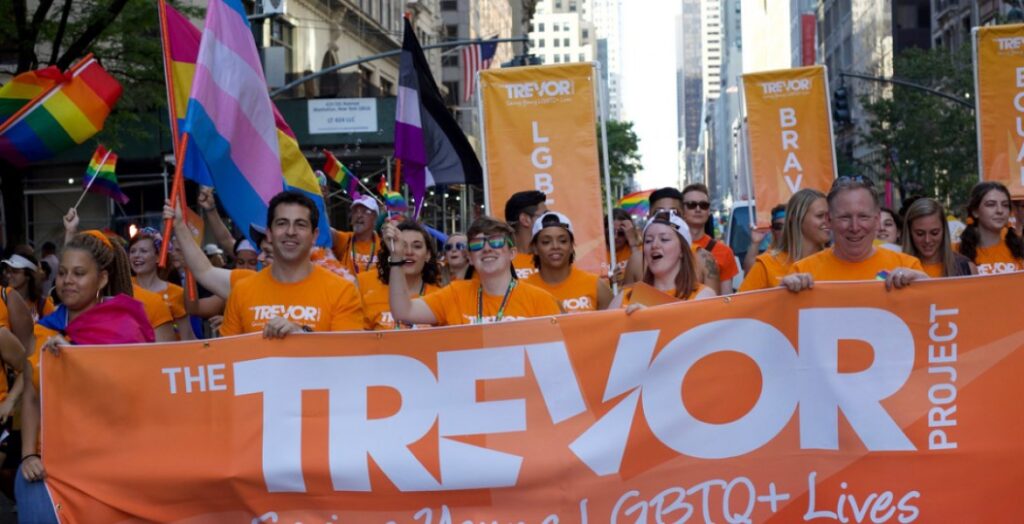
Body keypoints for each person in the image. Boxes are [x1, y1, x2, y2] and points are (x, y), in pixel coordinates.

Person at [19, 230, 154, 523]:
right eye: (63, 273)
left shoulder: (125, 329)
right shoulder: (43, 330)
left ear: (102, 279)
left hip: (110, 462)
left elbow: (136, 399)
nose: (68, 280)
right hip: (48, 465)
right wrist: (29, 455)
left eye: (79, 273)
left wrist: (77, 359)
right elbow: (30, 397)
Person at [220, 191, 363, 337]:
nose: (290, 232)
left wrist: (301, 335)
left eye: (300, 225)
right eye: (282, 223)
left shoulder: (343, 292)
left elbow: (348, 351)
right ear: (269, 233)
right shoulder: (241, 292)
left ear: (314, 236)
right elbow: (227, 350)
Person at [388, 216, 561, 326]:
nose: (487, 249)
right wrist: (396, 257)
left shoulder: (540, 300)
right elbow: (403, 312)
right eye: (477, 244)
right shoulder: (455, 294)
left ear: (512, 253)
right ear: (470, 257)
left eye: (496, 242)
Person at [781, 176, 926, 292]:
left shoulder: (907, 267)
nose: (855, 227)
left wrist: (926, 286)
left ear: (877, 220)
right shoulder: (802, 272)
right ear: (829, 220)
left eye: (863, 216)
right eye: (845, 217)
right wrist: (782, 296)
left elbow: (930, 314)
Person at [611, 210, 715, 312]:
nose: (654, 245)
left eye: (664, 239)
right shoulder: (624, 298)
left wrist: (651, 317)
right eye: (648, 241)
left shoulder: (703, 297)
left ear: (682, 250)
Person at [622, 187, 720, 289]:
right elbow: (626, 297)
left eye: (674, 213)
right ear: (649, 217)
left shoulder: (704, 260)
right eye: (659, 213)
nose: (667, 218)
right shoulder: (636, 261)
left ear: (684, 217)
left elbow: (715, 299)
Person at [739, 189, 830, 292]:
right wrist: (780, 292)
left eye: (829, 216)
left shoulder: (837, 259)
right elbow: (740, 301)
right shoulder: (767, 265)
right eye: (820, 216)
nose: (828, 221)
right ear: (796, 219)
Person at [359, 220, 442, 330]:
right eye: (402, 245)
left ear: (428, 255)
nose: (409, 252)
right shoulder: (370, 300)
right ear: (391, 252)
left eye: (417, 246)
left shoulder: (442, 298)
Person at [525, 212, 612, 312]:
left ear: (571, 246)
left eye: (563, 241)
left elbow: (615, 320)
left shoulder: (596, 285)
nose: (555, 246)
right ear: (535, 248)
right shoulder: (522, 290)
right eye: (546, 242)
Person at [128, 228, 195, 340]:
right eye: (132, 251)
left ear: (158, 257)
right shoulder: (123, 286)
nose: (136, 255)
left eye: (143, 251)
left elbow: (187, 336)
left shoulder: (176, 293)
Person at [681, 183, 738, 294]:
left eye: (703, 205)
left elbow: (726, 298)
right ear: (682, 211)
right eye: (691, 205)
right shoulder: (671, 248)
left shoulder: (725, 252)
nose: (698, 209)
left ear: (708, 211)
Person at [957, 181, 1024, 275]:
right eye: (991, 204)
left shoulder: (1019, 249)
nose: (1000, 210)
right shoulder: (954, 252)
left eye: (1005, 205)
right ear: (975, 211)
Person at [902, 197, 976, 278]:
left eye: (934, 233)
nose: (927, 240)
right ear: (909, 232)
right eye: (920, 234)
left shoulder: (966, 267)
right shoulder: (897, 266)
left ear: (944, 230)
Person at [332, 196, 381, 277]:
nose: (359, 215)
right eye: (355, 211)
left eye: (365, 211)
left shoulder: (384, 246)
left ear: (375, 218)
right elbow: (324, 229)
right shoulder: (345, 239)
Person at [504, 190, 548, 279]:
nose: (549, 221)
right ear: (525, 220)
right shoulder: (499, 262)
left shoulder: (552, 260)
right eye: (544, 216)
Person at [2, 254, 54, 321]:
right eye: (8, 271)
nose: (8, 275)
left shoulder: (43, 305)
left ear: (28, 275)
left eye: (15, 271)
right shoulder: (2, 299)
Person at [741, 204, 786, 272]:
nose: (784, 230)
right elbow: (750, 272)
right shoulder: (769, 256)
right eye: (778, 226)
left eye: (789, 225)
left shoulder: (803, 252)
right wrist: (755, 242)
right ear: (772, 230)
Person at [608, 208, 639, 286]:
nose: (615, 237)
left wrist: (632, 242)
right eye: (611, 232)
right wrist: (608, 283)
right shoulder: (598, 252)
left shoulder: (638, 249)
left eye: (621, 233)